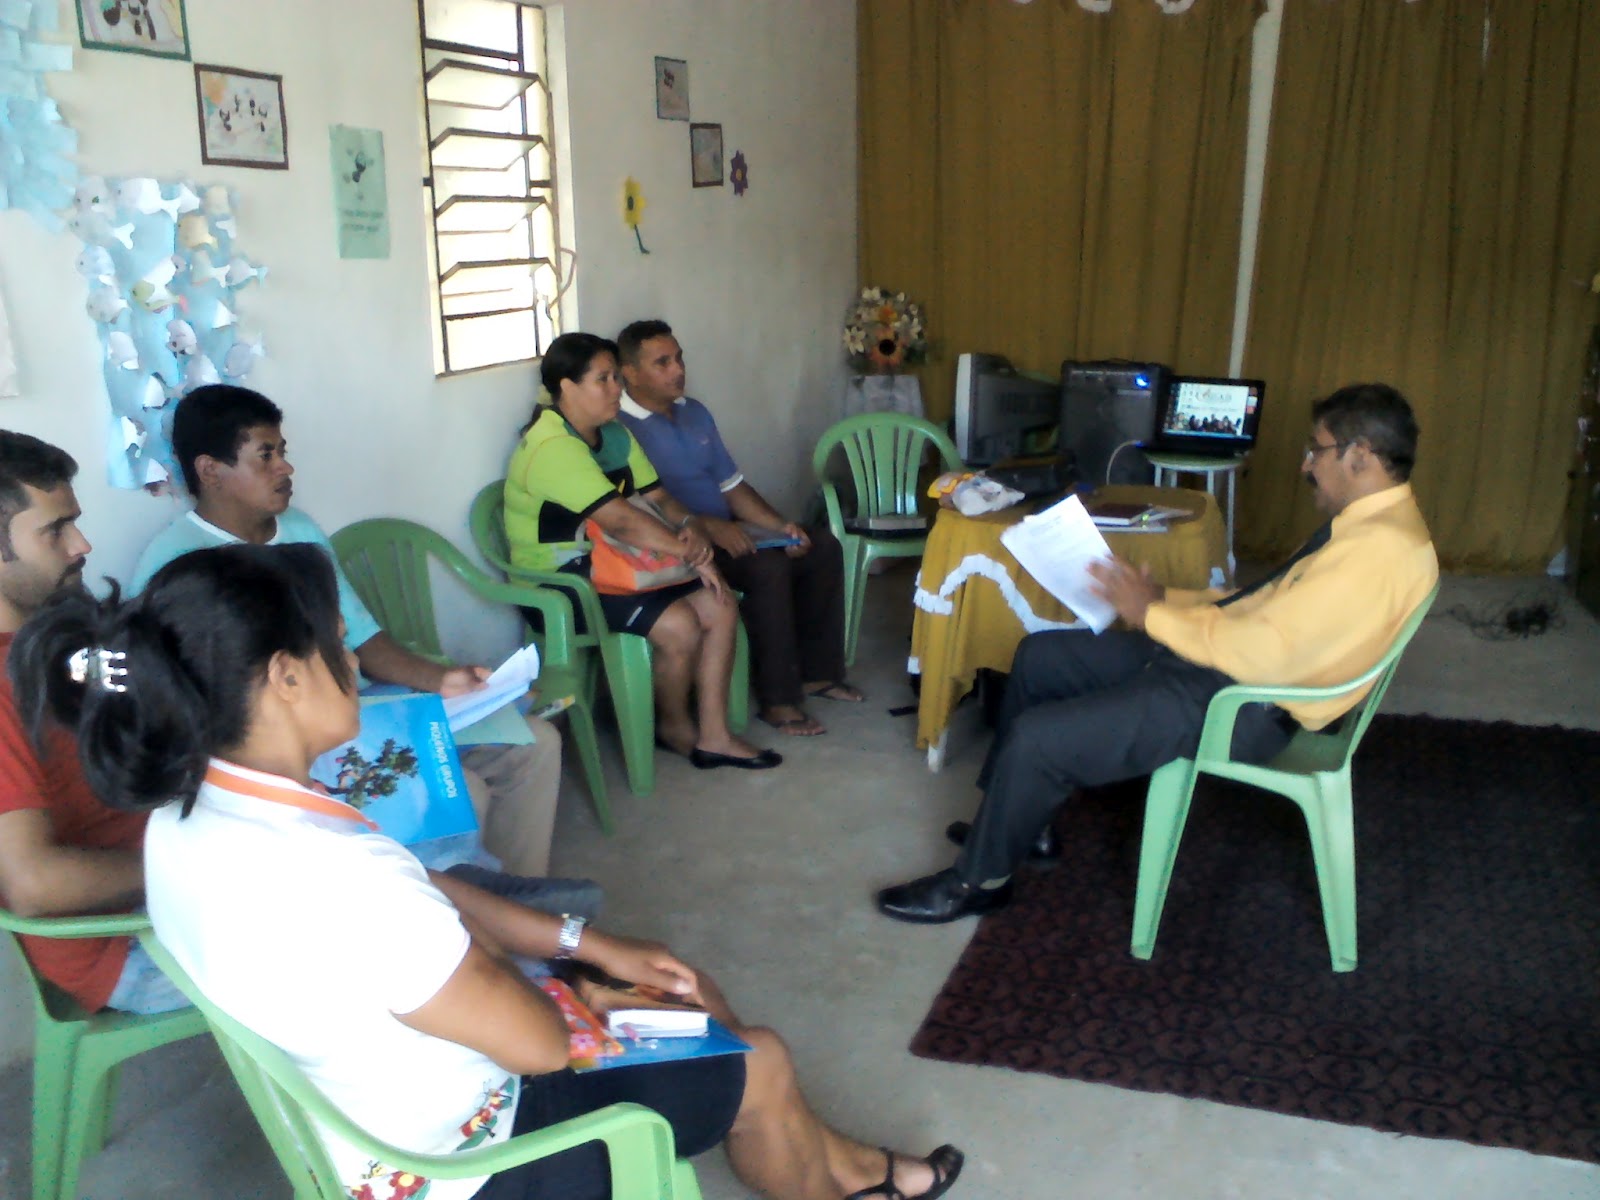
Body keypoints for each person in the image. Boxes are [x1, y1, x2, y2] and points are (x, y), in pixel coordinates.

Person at [11, 541, 964, 1200]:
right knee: (753, 1052)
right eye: (335, 642)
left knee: (674, 984)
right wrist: (580, 986)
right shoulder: (337, 873)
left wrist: (587, 942)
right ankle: (834, 1174)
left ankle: (836, 1164)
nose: (355, 659)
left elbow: (425, 898)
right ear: (284, 678)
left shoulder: (186, 816)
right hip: (480, 1163)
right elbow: (539, 1046)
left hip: (362, 1126)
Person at [877, 383, 1440, 923]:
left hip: (1244, 704)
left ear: (1359, 455)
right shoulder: (1372, 526)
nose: (1305, 465)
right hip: (1225, 668)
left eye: (1316, 450)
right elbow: (1261, 609)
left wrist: (1151, 614)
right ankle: (1023, 827)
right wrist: (1163, 599)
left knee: (1037, 738)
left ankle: (978, 883)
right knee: (1040, 659)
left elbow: (1266, 654)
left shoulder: (1379, 550)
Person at [131, 384, 574, 882]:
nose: (286, 467)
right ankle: (464, 912)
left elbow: (364, 638)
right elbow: (184, 705)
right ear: (211, 470)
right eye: (265, 455)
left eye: (282, 451)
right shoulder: (175, 565)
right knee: (460, 791)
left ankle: (520, 897)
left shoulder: (300, 531)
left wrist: (443, 680)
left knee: (534, 743)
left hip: (370, 707)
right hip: (296, 742)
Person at [504, 332, 779, 770]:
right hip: (561, 584)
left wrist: (690, 529)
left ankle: (715, 735)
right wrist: (696, 556)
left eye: (616, 377)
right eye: (603, 379)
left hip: (618, 562)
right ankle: (673, 726)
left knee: (721, 603)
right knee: (679, 625)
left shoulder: (615, 435)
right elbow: (622, 521)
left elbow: (660, 498)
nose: (616, 388)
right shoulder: (552, 446)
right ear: (567, 387)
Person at [0, 431, 185, 1014]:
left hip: (174, 880)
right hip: (125, 941)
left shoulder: (63, 636)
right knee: (385, 940)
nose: (81, 545)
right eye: (56, 530)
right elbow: (33, 884)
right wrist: (199, 866)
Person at [616, 319, 858, 737]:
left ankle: (817, 674)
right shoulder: (621, 429)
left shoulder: (695, 413)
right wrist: (709, 528)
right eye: (663, 363)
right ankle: (778, 700)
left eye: (679, 358)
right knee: (767, 569)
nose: (678, 370)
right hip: (683, 547)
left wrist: (781, 525)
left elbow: (732, 486)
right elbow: (638, 509)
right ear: (631, 373)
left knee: (820, 546)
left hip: (728, 530)